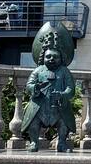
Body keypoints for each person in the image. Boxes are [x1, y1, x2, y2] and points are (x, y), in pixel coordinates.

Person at [21, 22, 76, 152]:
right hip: (39, 105)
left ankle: (62, 143)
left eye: (55, 57)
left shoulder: (64, 71)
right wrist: (36, 88)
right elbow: (29, 85)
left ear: (61, 58)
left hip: (58, 107)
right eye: (48, 56)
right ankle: (34, 142)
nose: (51, 59)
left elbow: (71, 88)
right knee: (33, 123)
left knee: (63, 123)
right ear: (43, 57)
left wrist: (63, 95)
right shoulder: (39, 70)